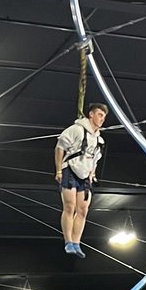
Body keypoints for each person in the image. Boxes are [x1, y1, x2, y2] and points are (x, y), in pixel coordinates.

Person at [54, 103, 107, 258]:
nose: (102, 118)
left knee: (83, 209)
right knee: (70, 206)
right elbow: (59, 148)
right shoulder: (76, 129)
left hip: (85, 174)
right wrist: (58, 170)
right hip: (70, 168)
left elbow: (94, 160)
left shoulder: (99, 140)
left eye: (104, 116)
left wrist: (92, 174)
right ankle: (68, 241)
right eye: (99, 114)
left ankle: (76, 242)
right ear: (91, 114)